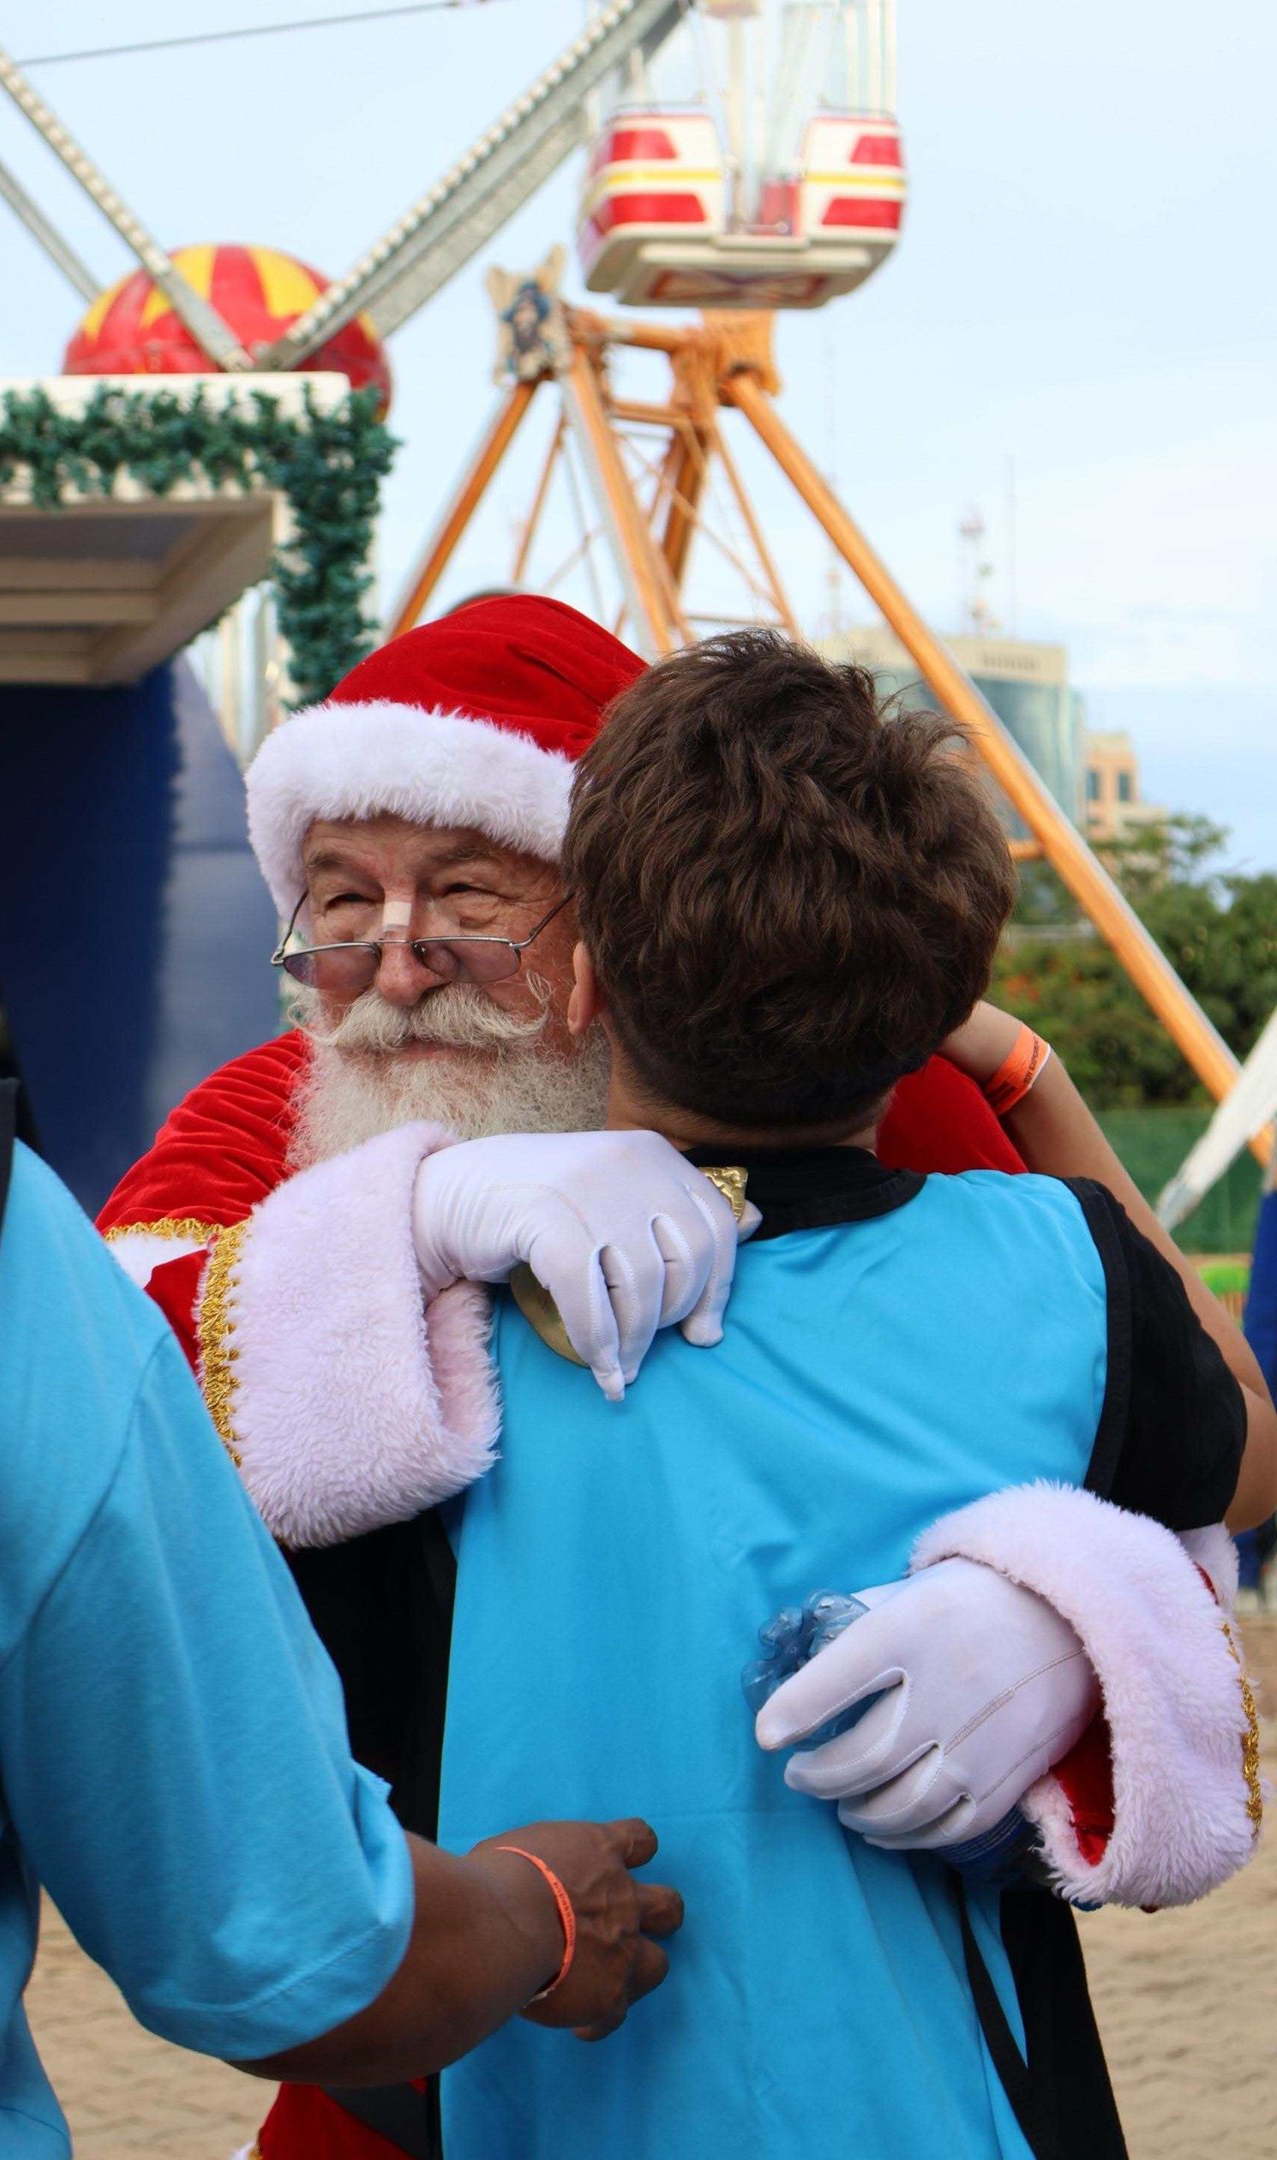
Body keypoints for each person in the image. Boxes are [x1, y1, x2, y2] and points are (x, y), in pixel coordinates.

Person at [98, 596, 1262, 2159]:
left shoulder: (877, 1093)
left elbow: (1173, 1449)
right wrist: (402, 1223)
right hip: (447, 2046)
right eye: (341, 899)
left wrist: (1066, 1617)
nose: (395, 962)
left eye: (466, 892)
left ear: (601, 925)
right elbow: (94, 1406)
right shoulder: (289, 1114)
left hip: (915, 2033)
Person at [432, 633, 1271, 2159]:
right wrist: (1027, 1071)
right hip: (968, 2106)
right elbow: (1250, 1449)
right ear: (934, 1000)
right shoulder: (1065, 1274)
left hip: (550, 2102)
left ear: (582, 975)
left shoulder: (429, 1313)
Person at [0, 1060, 681, 2160]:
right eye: (322, 947)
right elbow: (285, 1942)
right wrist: (539, 1914)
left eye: (472, 935)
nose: (399, 972)